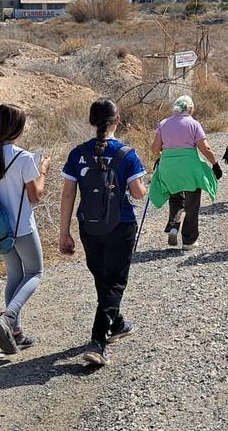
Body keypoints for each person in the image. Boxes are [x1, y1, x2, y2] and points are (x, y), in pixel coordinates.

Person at [59, 98, 148, 367]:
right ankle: (98, 341)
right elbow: (137, 193)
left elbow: (67, 194)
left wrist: (64, 232)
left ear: (91, 121)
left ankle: (116, 322)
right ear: (117, 120)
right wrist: (146, 186)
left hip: (88, 226)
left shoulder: (77, 154)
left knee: (102, 278)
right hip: (120, 224)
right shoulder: (127, 154)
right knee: (115, 282)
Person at [0, 103, 50, 356]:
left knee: (14, 275)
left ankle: (15, 333)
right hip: (22, 228)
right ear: (18, 128)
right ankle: (8, 318)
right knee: (35, 273)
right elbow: (36, 195)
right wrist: (43, 171)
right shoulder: (25, 158)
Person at [150, 95, 221, 250]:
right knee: (192, 203)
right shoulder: (193, 124)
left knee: (175, 197)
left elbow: (155, 148)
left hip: (169, 167)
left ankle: (174, 226)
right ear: (190, 109)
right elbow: (205, 148)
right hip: (189, 169)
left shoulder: (164, 124)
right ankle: (188, 241)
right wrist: (215, 164)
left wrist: (160, 158)